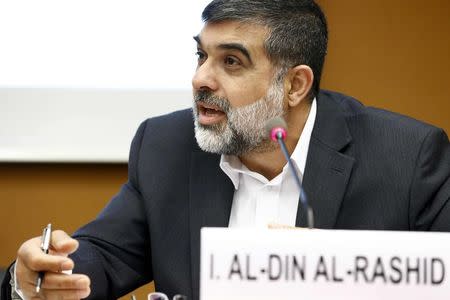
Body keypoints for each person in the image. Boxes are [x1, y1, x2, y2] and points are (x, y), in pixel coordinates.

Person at [2, 0, 449, 299]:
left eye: (230, 61)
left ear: (295, 85)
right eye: (202, 56)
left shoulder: (406, 157)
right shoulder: (166, 146)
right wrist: (36, 277)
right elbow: (104, 254)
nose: (201, 79)